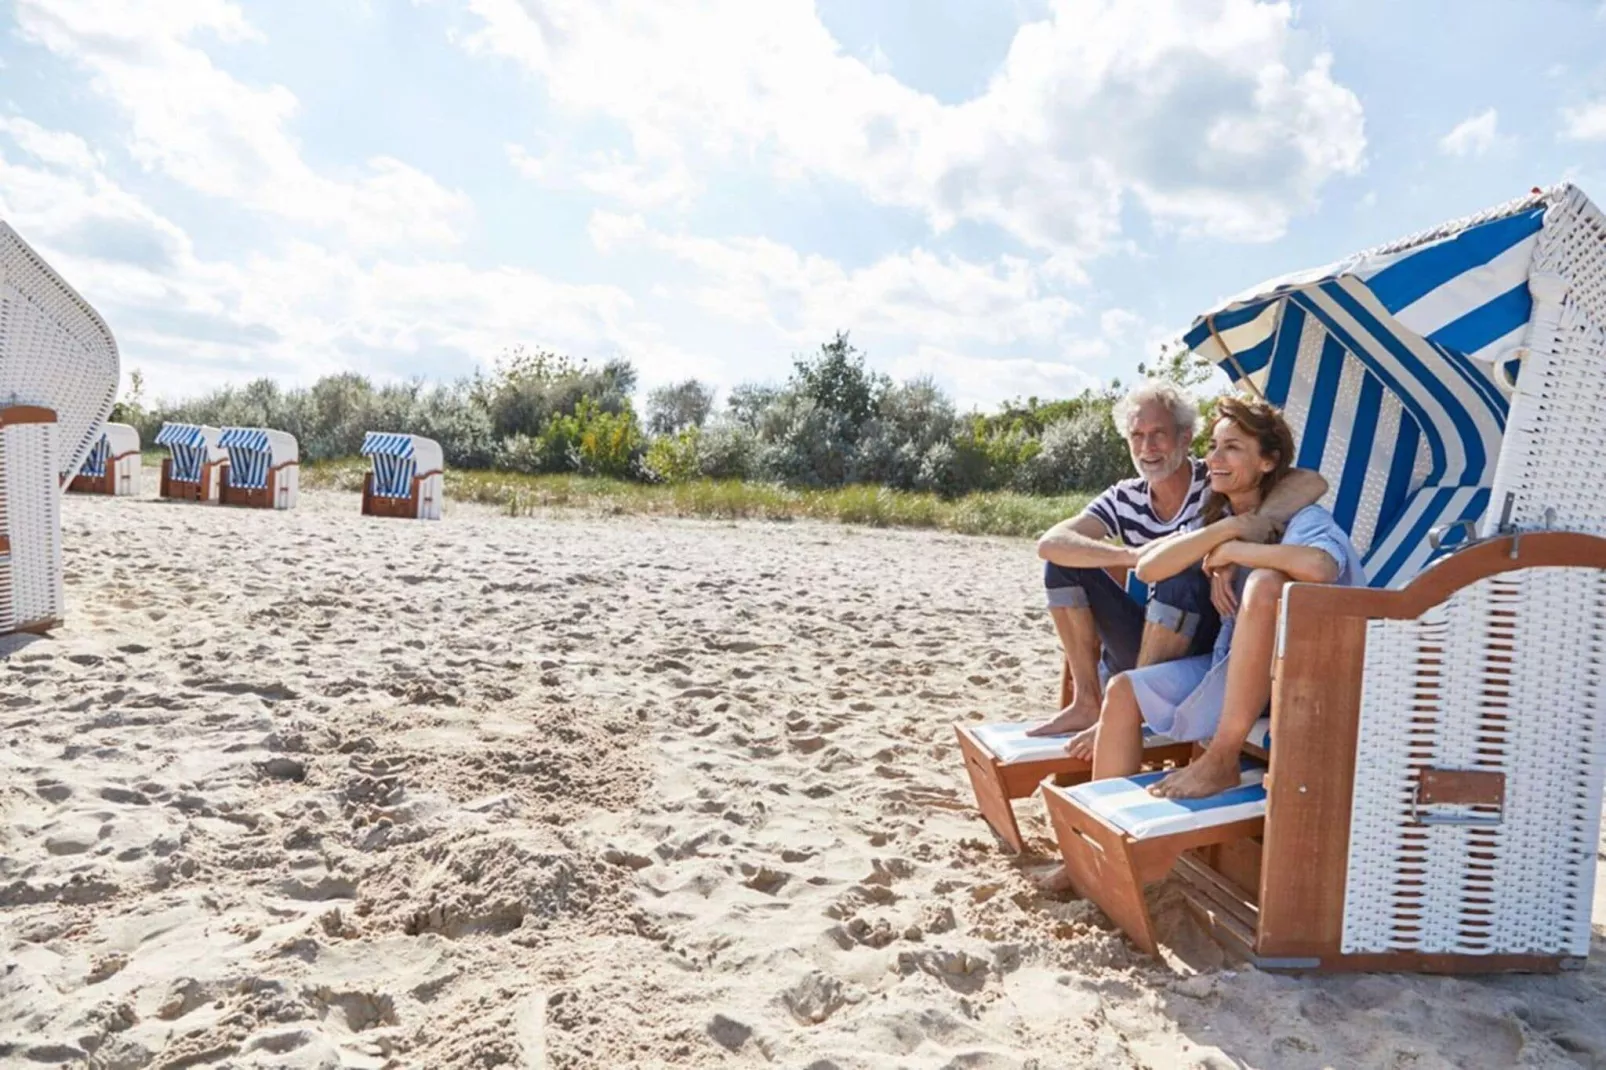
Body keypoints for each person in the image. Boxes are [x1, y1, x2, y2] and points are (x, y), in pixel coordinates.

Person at [1073, 395, 1367, 800]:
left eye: (1232, 447)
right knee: (1124, 690)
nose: (1214, 457)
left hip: (1304, 681)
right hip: (1234, 671)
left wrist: (1235, 554)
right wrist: (1224, 536)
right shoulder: (1222, 517)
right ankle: (1096, 839)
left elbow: (1320, 567)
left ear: (1267, 462)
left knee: (1265, 582)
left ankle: (1221, 759)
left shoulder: (1305, 518)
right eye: (1213, 446)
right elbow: (1149, 568)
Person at [1027, 380, 1328, 739]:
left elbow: (1311, 482)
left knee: (1179, 576)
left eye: (1158, 434)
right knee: (1063, 564)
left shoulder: (1215, 477)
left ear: (1185, 438)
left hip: (1206, 640)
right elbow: (1052, 542)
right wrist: (1132, 555)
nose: (1147, 447)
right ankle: (1089, 700)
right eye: (1137, 436)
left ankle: (1134, 707)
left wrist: (1238, 534)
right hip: (1150, 635)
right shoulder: (1125, 497)